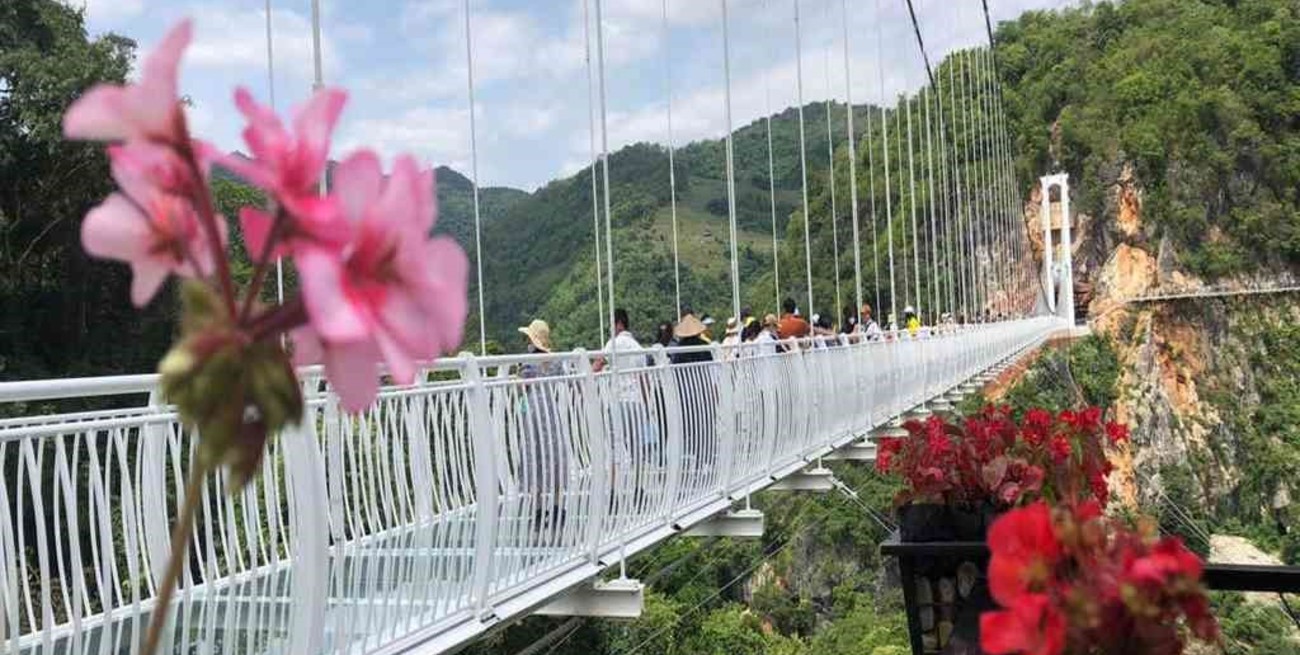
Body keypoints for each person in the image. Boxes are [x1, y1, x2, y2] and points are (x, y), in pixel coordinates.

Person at [516, 319, 567, 531]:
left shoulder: (528, 360)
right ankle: (557, 509)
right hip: (550, 410)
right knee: (552, 456)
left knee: (534, 456)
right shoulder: (554, 360)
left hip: (534, 412)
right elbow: (564, 378)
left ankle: (538, 511)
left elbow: (522, 387)